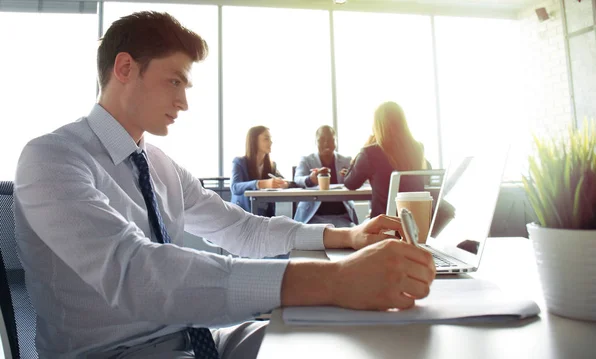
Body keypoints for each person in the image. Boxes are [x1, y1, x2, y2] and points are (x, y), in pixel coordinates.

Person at [13, 12, 435, 359]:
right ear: (125, 68)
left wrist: (346, 235)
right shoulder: (52, 158)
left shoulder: (162, 166)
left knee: (328, 343)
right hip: (116, 353)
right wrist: (335, 279)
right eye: (174, 81)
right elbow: (137, 273)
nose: (183, 102)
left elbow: (241, 228)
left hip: (195, 338)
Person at [344, 101, 430, 218]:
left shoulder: (370, 152)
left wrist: (360, 152)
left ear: (377, 126)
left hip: (385, 225)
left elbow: (350, 183)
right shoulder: (418, 148)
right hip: (417, 223)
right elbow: (426, 179)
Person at [293, 125, 358, 227]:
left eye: (331, 140)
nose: (326, 144)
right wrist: (310, 179)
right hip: (312, 216)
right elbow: (297, 179)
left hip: (342, 217)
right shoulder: (306, 160)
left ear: (335, 142)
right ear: (316, 142)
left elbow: (360, 181)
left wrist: (351, 176)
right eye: (322, 140)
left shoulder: (346, 160)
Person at [230, 126, 287, 217]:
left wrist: (284, 184)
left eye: (270, 139)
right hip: (242, 215)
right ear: (254, 141)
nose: (271, 142)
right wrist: (261, 184)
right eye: (266, 139)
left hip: (265, 216)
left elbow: (289, 182)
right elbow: (235, 187)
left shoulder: (272, 166)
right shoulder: (239, 162)